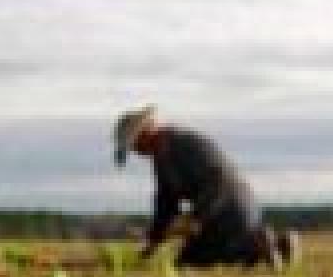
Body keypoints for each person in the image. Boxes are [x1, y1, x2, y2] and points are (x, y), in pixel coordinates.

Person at [113, 105, 291, 267]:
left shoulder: (182, 142)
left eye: (134, 145)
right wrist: (153, 242)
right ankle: (275, 244)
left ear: (146, 132)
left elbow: (219, 182)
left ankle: (255, 245)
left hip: (232, 209)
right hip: (220, 214)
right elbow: (166, 203)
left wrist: (195, 218)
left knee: (191, 263)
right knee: (186, 260)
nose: (136, 152)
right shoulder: (162, 156)